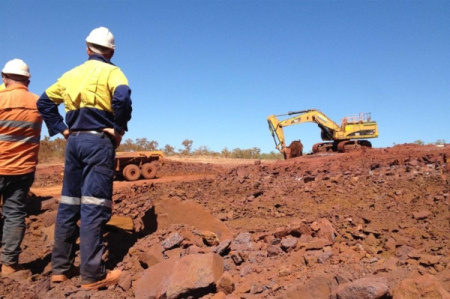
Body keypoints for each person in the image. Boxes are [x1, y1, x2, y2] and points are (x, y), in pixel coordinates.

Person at [37, 26, 132, 290]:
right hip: (98, 141)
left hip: (74, 142)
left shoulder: (71, 74)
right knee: (94, 205)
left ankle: (60, 269)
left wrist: (62, 129)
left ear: (87, 48)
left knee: (68, 203)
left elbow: (44, 102)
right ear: (111, 51)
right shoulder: (113, 72)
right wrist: (119, 128)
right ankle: (93, 274)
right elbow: (122, 97)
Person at [0, 59, 42, 276]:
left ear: (4, 77)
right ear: (28, 80)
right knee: (15, 213)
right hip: (24, 169)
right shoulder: (38, 102)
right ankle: (9, 265)